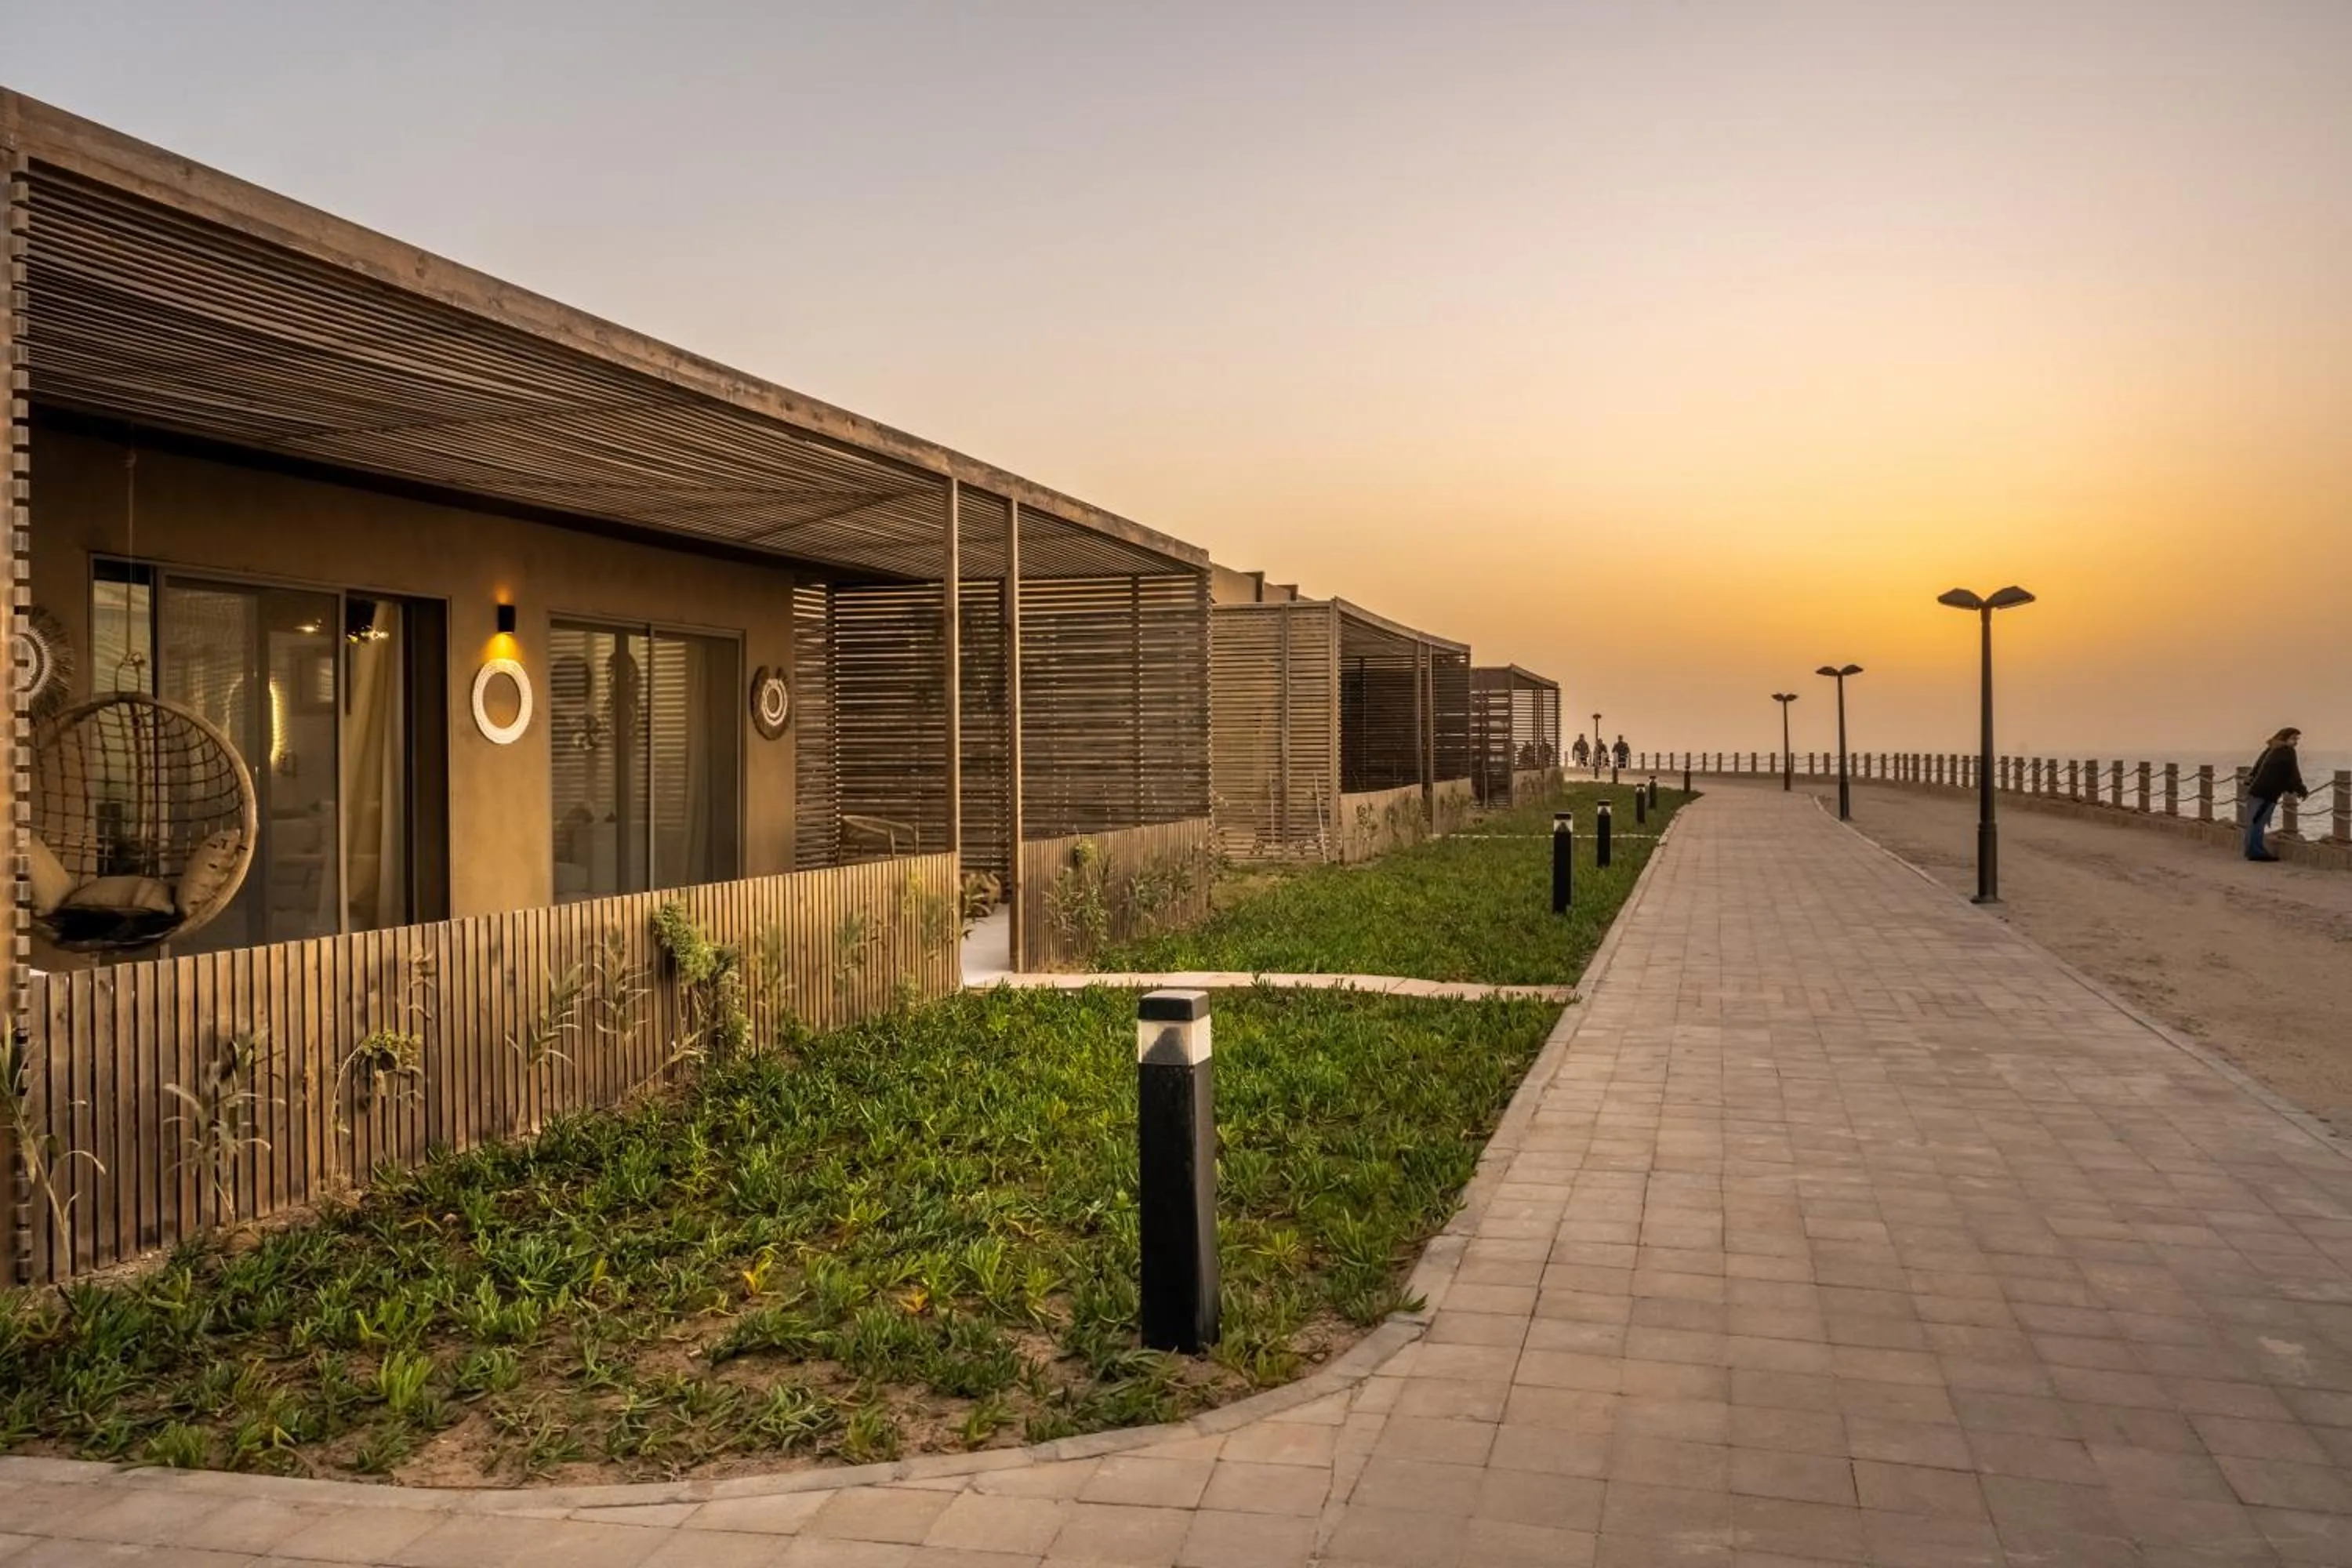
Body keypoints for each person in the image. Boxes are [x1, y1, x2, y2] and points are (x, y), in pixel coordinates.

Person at [2243, 728, 2307, 862]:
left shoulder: (2270, 748)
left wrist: (2250, 780)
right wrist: (2301, 790)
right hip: (2268, 793)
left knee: (2253, 822)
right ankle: (2256, 852)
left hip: (2255, 791)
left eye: (2297, 739)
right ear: (2285, 738)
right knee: (2258, 822)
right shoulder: (2288, 751)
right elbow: (2293, 773)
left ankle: (2251, 850)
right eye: (2294, 738)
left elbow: (2257, 767)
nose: (2296, 742)